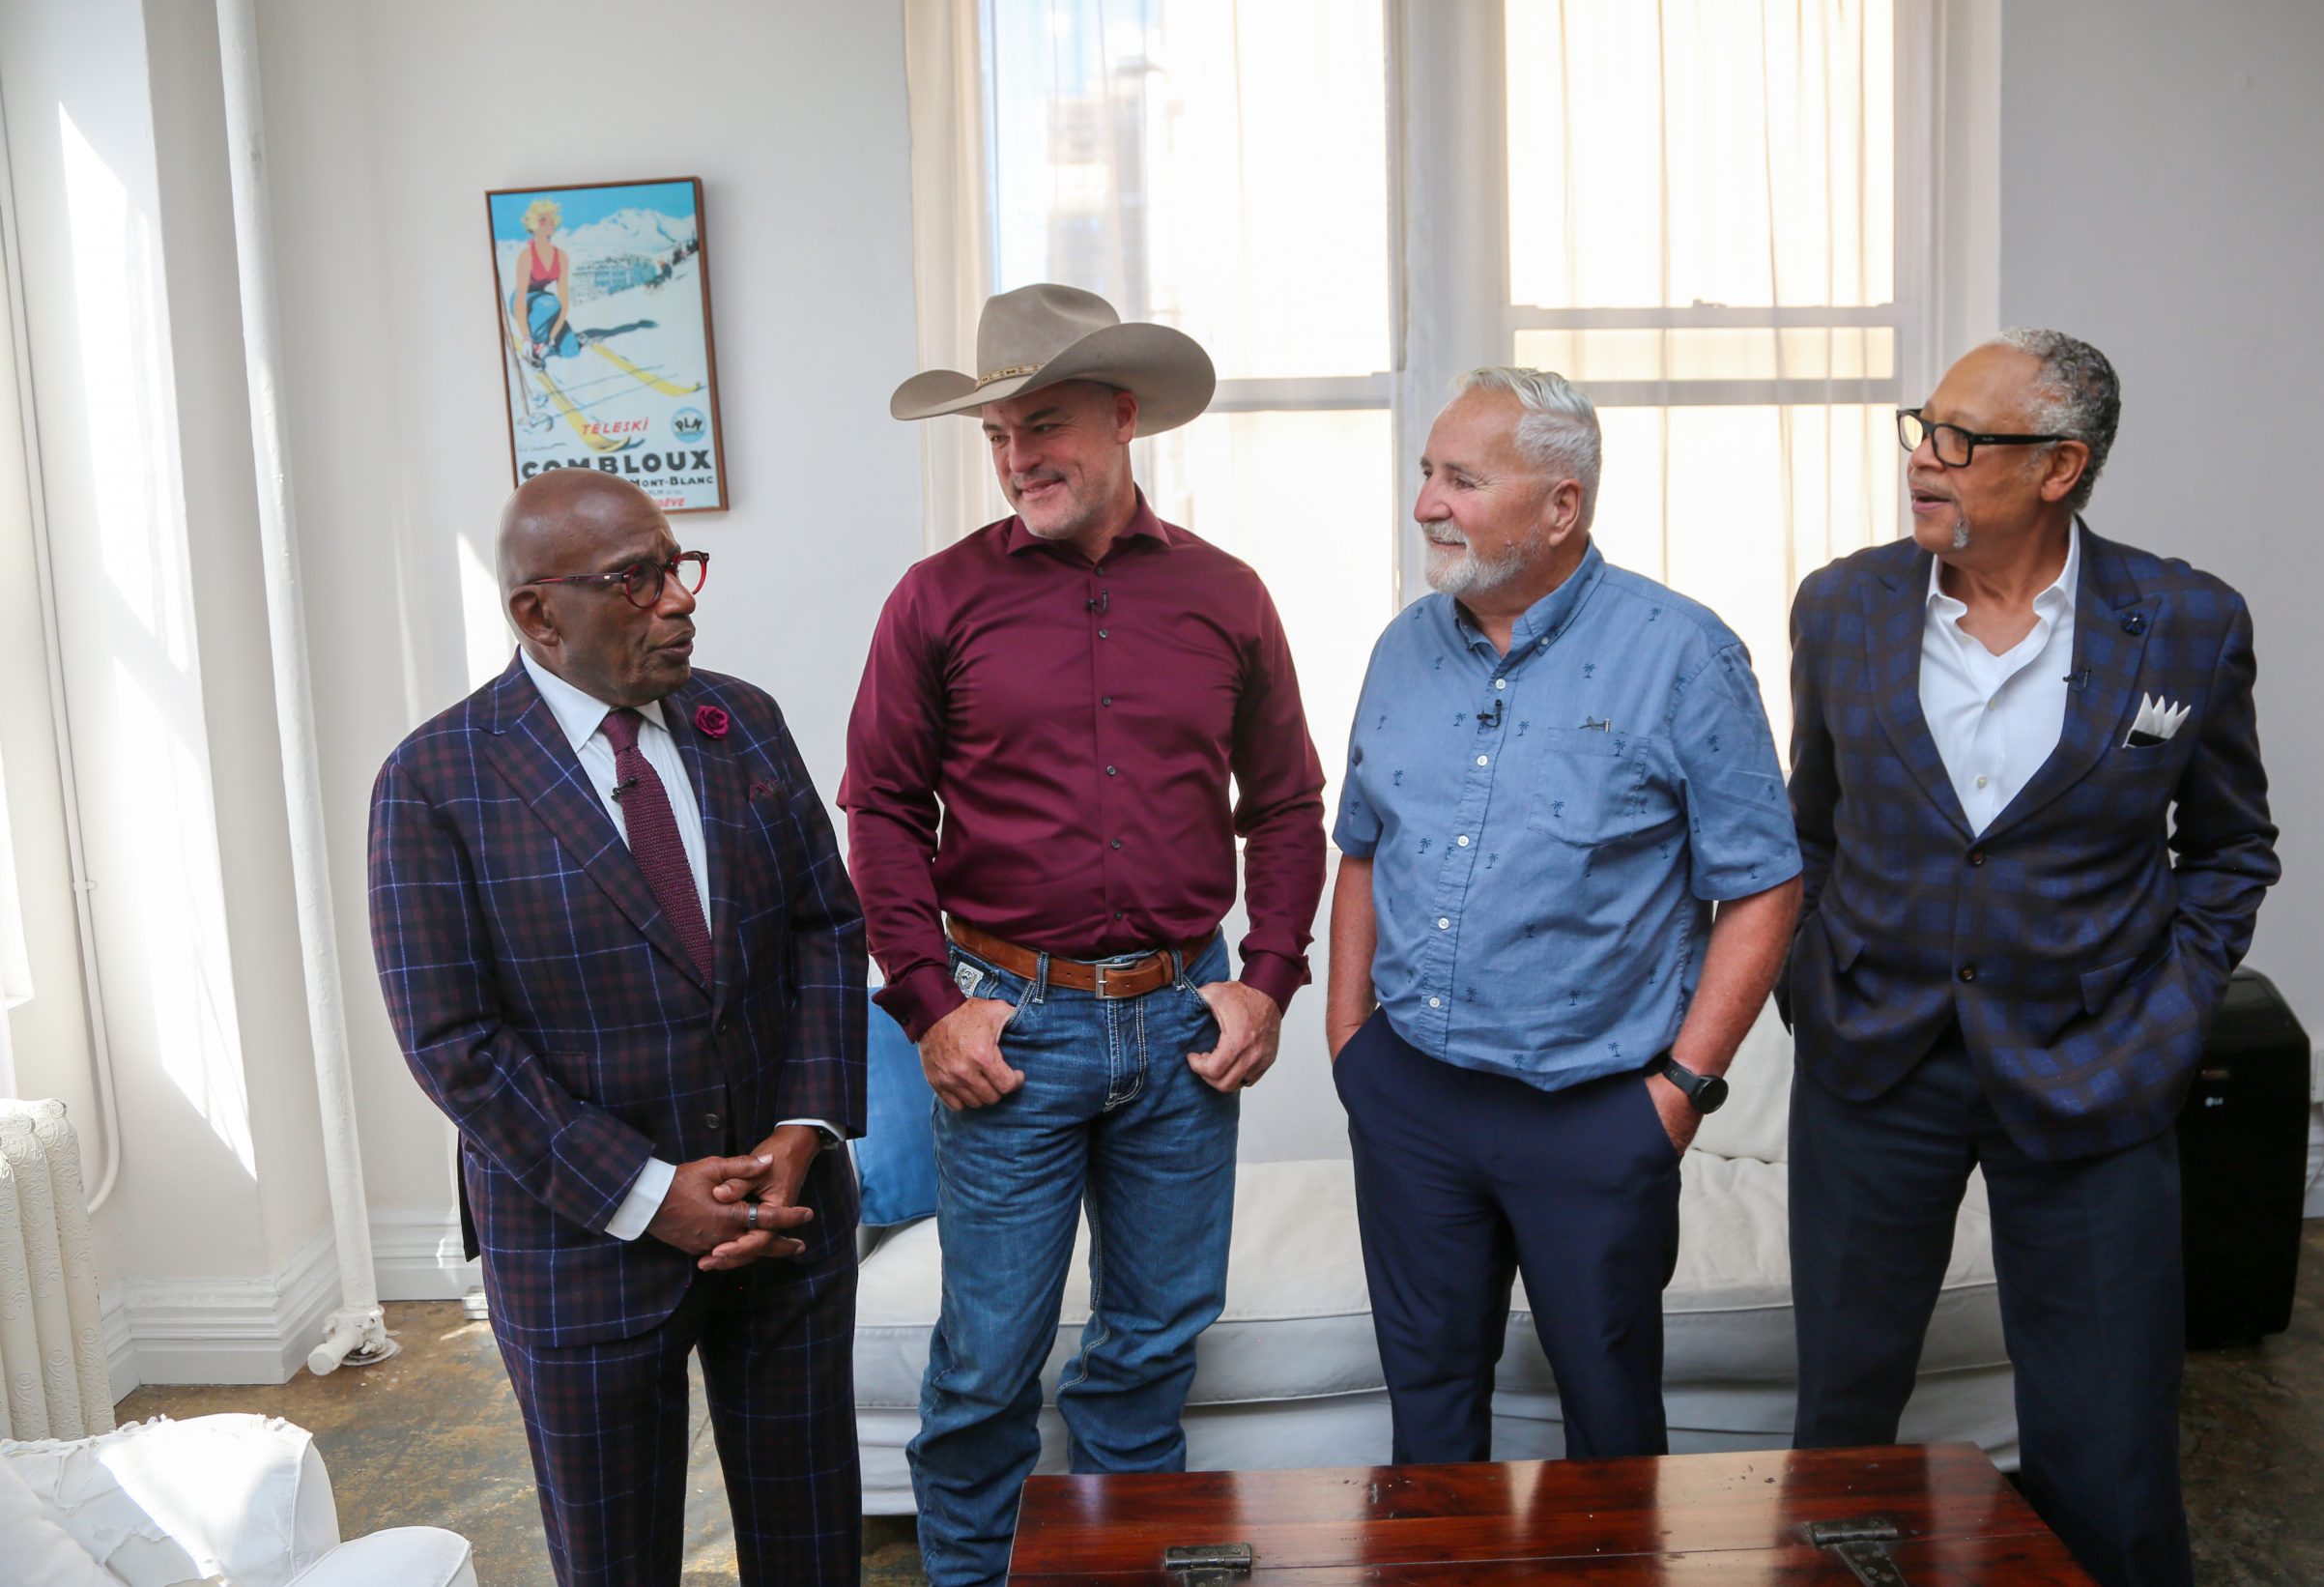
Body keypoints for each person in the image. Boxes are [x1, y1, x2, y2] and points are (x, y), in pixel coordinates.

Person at [842, 283, 1327, 1587]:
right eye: (997, 434)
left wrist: (1269, 979)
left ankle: (1125, 1572)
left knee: (1154, 1342)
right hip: (1012, 1025)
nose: (1016, 458)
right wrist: (930, 1004)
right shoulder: (936, 599)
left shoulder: (1227, 595)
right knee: (988, 1358)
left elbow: (1287, 803)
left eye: (1042, 424)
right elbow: (881, 811)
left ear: (1122, 417)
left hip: (1183, 1021)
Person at [1780, 331, 2279, 1587]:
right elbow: (1807, 829)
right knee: (1840, 1417)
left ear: (2060, 466)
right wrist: (1811, 982)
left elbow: (2229, 848)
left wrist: (2167, 1020)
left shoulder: (2188, 622)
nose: (1923, 461)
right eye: (1922, 428)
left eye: (1960, 439)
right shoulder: (1840, 607)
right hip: (1873, 1063)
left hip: (2094, 1069)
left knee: (2110, 1442)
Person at [368, 470, 869, 1587]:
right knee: (616, 1562)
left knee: (812, 1548)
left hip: (784, 1218)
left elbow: (825, 928)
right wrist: (650, 1195)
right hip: (581, 1245)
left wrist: (804, 1129)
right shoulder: (433, 781)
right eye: (635, 580)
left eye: (677, 569)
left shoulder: (742, 722)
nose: (678, 601)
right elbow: (453, 1040)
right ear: (538, 613)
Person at [1325, 366, 1802, 1463]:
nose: (1425, 504)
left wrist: (1680, 1090)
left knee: (1611, 1418)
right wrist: (1351, 1040)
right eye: (1426, 474)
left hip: (1594, 1115)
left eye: (1461, 479)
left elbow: (1765, 882)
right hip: (1412, 1099)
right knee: (1428, 1412)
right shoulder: (1402, 648)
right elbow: (1362, 846)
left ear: (1559, 505)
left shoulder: (1683, 653)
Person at [508, 197, 579, 370]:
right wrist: (526, 337)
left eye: (551, 219)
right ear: (533, 225)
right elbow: (520, 302)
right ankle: (535, 343)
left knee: (571, 350)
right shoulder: (526, 256)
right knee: (550, 303)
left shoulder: (561, 257)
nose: (550, 223)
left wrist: (550, 339)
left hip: (545, 304)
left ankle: (542, 342)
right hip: (523, 301)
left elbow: (563, 304)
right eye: (542, 220)